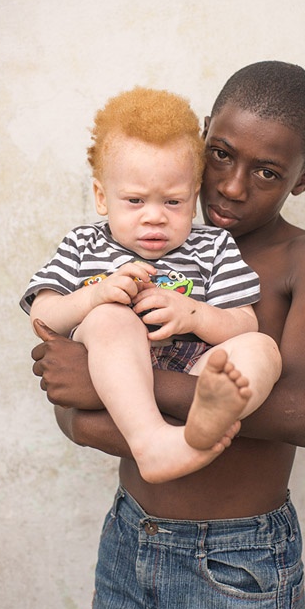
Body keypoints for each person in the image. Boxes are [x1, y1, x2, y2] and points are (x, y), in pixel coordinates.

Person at [31, 61, 305, 609]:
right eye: (222, 155)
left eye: (268, 172)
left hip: (237, 557)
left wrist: (122, 389)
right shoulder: (131, 247)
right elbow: (73, 399)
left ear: (304, 178)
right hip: (130, 534)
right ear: (203, 140)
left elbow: (301, 414)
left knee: (256, 352)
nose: (231, 185)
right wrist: (81, 406)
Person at [21, 86, 282, 485]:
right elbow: (43, 315)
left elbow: (244, 323)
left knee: (261, 348)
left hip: (192, 371)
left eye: (173, 202)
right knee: (110, 318)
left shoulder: (212, 246)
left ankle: (209, 418)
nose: (155, 217)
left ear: (194, 199)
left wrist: (193, 313)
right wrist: (95, 295)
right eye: (135, 201)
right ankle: (151, 442)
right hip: (116, 369)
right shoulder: (83, 243)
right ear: (102, 197)